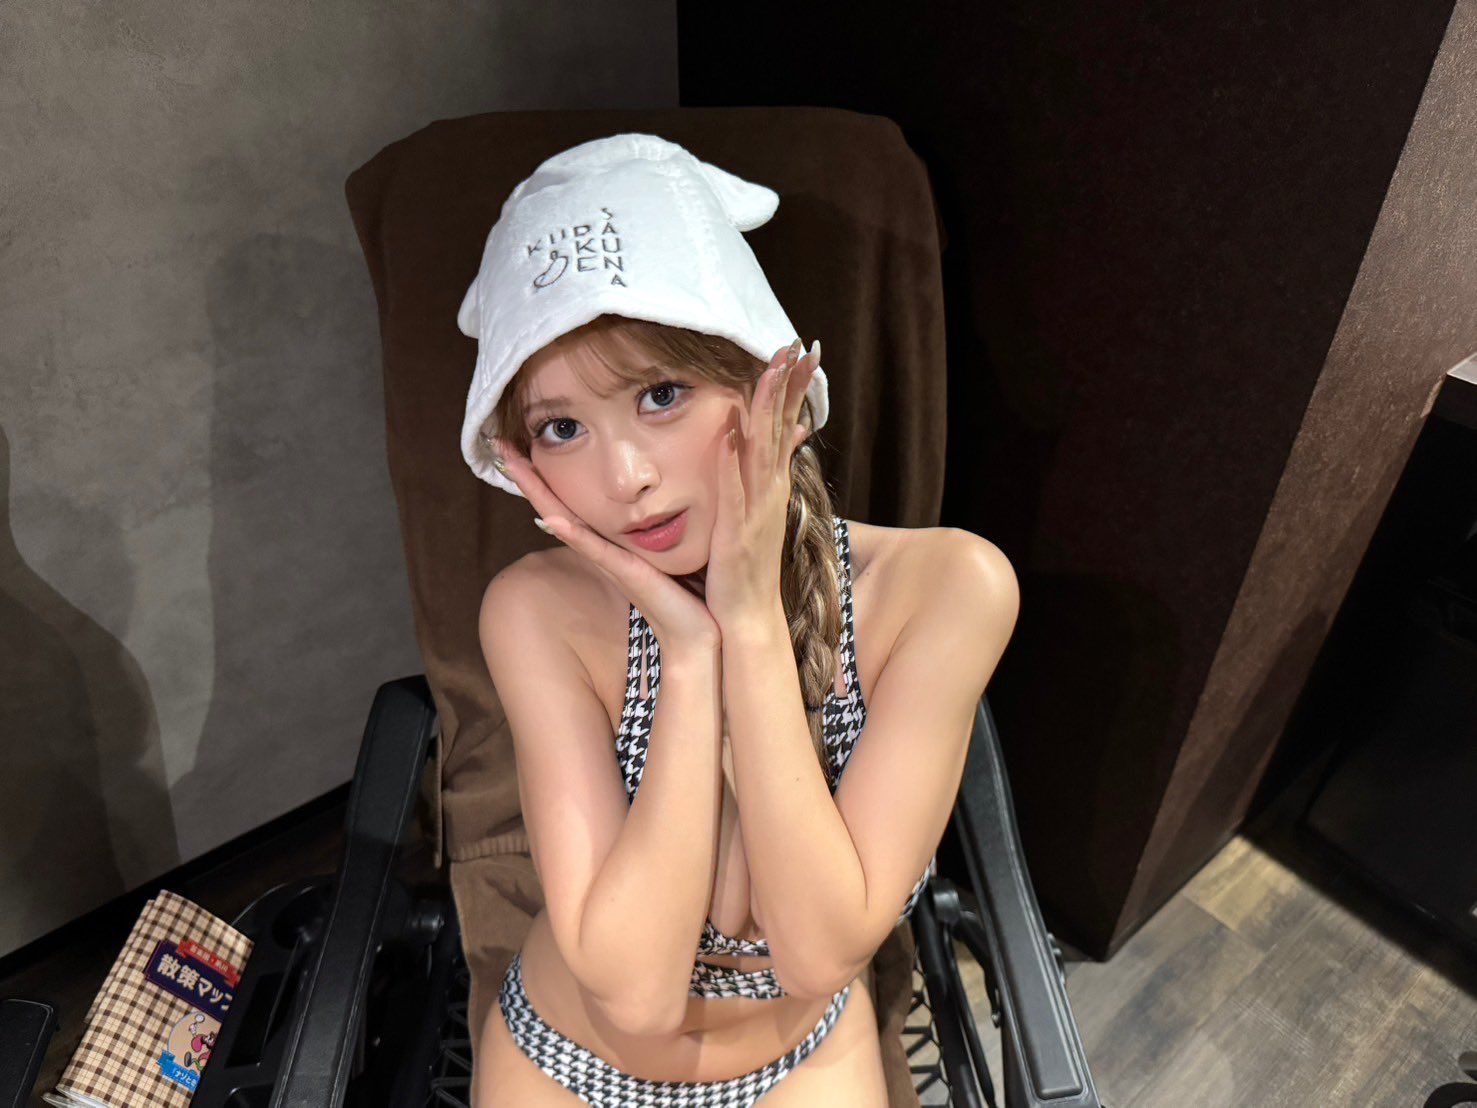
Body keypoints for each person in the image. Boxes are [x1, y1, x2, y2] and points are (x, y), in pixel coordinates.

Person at [456, 136, 1020, 1107]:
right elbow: (634, 994)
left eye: (660, 394)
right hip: (565, 1053)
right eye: (562, 428)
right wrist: (686, 653)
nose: (624, 477)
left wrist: (750, 623)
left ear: (771, 381)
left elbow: (817, 952)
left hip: (797, 1061)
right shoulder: (537, 610)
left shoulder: (944, 590)